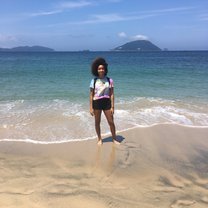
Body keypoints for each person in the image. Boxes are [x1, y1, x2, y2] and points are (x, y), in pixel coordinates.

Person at [89, 57, 120, 145]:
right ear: (96, 70)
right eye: (99, 69)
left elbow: (112, 94)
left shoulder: (110, 80)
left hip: (107, 103)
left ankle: (114, 138)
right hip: (97, 103)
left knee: (111, 122)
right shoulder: (94, 81)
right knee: (97, 122)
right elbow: (91, 95)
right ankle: (99, 139)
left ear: (105, 69)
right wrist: (91, 107)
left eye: (102, 68)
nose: (101, 70)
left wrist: (113, 107)